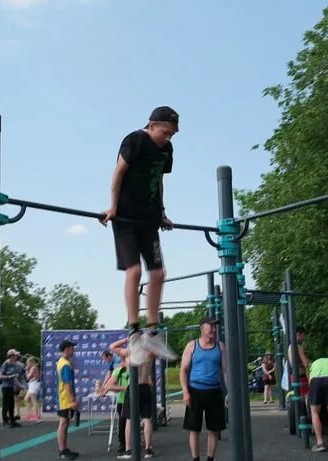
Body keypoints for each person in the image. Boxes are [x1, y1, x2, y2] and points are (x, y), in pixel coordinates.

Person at [99, 106, 181, 366]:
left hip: (149, 219)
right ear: (152, 125)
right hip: (125, 218)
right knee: (133, 271)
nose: (167, 138)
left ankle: (153, 331)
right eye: (165, 132)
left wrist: (162, 212)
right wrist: (113, 207)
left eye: (172, 134)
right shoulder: (135, 140)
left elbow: (158, 180)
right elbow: (118, 173)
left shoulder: (166, 150)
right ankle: (134, 331)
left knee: (158, 273)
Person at [180, 317, 227, 461]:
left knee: (214, 429)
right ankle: (195, 459)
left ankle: (210, 459)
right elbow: (183, 370)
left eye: (215, 326)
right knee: (194, 429)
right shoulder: (192, 346)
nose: (213, 329)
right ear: (202, 328)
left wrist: (229, 393)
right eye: (211, 326)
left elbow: (225, 371)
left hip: (214, 391)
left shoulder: (220, 346)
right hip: (195, 391)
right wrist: (185, 392)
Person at [109, 337, 156, 459]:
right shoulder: (149, 353)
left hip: (133, 388)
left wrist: (125, 340)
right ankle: (148, 449)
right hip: (145, 387)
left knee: (129, 420)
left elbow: (112, 347)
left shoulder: (130, 353)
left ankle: (129, 450)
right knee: (147, 419)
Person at [98, 358, 130, 456]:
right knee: (122, 424)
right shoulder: (119, 369)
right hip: (122, 400)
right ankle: (122, 445)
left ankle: (131, 444)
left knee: (131, 424)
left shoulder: (136, 368)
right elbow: (110, 385)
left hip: (133, 400)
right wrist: (127, 389)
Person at [56, 340, 80, 459]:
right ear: (66, 349)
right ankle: (62, 451)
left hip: (64, 398)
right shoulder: (65, 364)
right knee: (63, 423)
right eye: (72, 348)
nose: (73, 350)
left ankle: (64, 449)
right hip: (65, 399)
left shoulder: (62, 362)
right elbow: (67, 384)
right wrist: (72, 400)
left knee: (65, 423)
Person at [286, 326, 311, 408]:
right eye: (303, 335)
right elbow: (306, 363)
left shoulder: (290, 346)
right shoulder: (298, 347)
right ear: (298, 334)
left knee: (299, 397)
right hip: (301, 376)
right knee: (306, 397)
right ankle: (306, 415)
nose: (304, 338)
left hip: (293, 375)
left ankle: (300, 415)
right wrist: (308, 360)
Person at [0, 349, 22, 428]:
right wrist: (9, 376)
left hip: (11, 386)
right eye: (15, 356)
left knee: (12, 405)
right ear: (11, 356)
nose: (16, 357)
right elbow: (0, 376)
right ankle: (5, 421)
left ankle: (12, 421)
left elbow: (15, 377)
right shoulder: (6, 364)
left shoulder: (14, 364)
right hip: (5, 386)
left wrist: (19, 385)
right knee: (6, 404)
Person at [23, 358, 43, 423]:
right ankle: (31, 415)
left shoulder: (33, 368)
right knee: (26, 399)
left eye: (28, 363)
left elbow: (28, 377)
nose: (27, 365)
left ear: (31, 362)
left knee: (34, 401)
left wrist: (26, 370)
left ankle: (37, 417)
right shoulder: (35, 367)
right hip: (32, 384)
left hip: (34, 385)